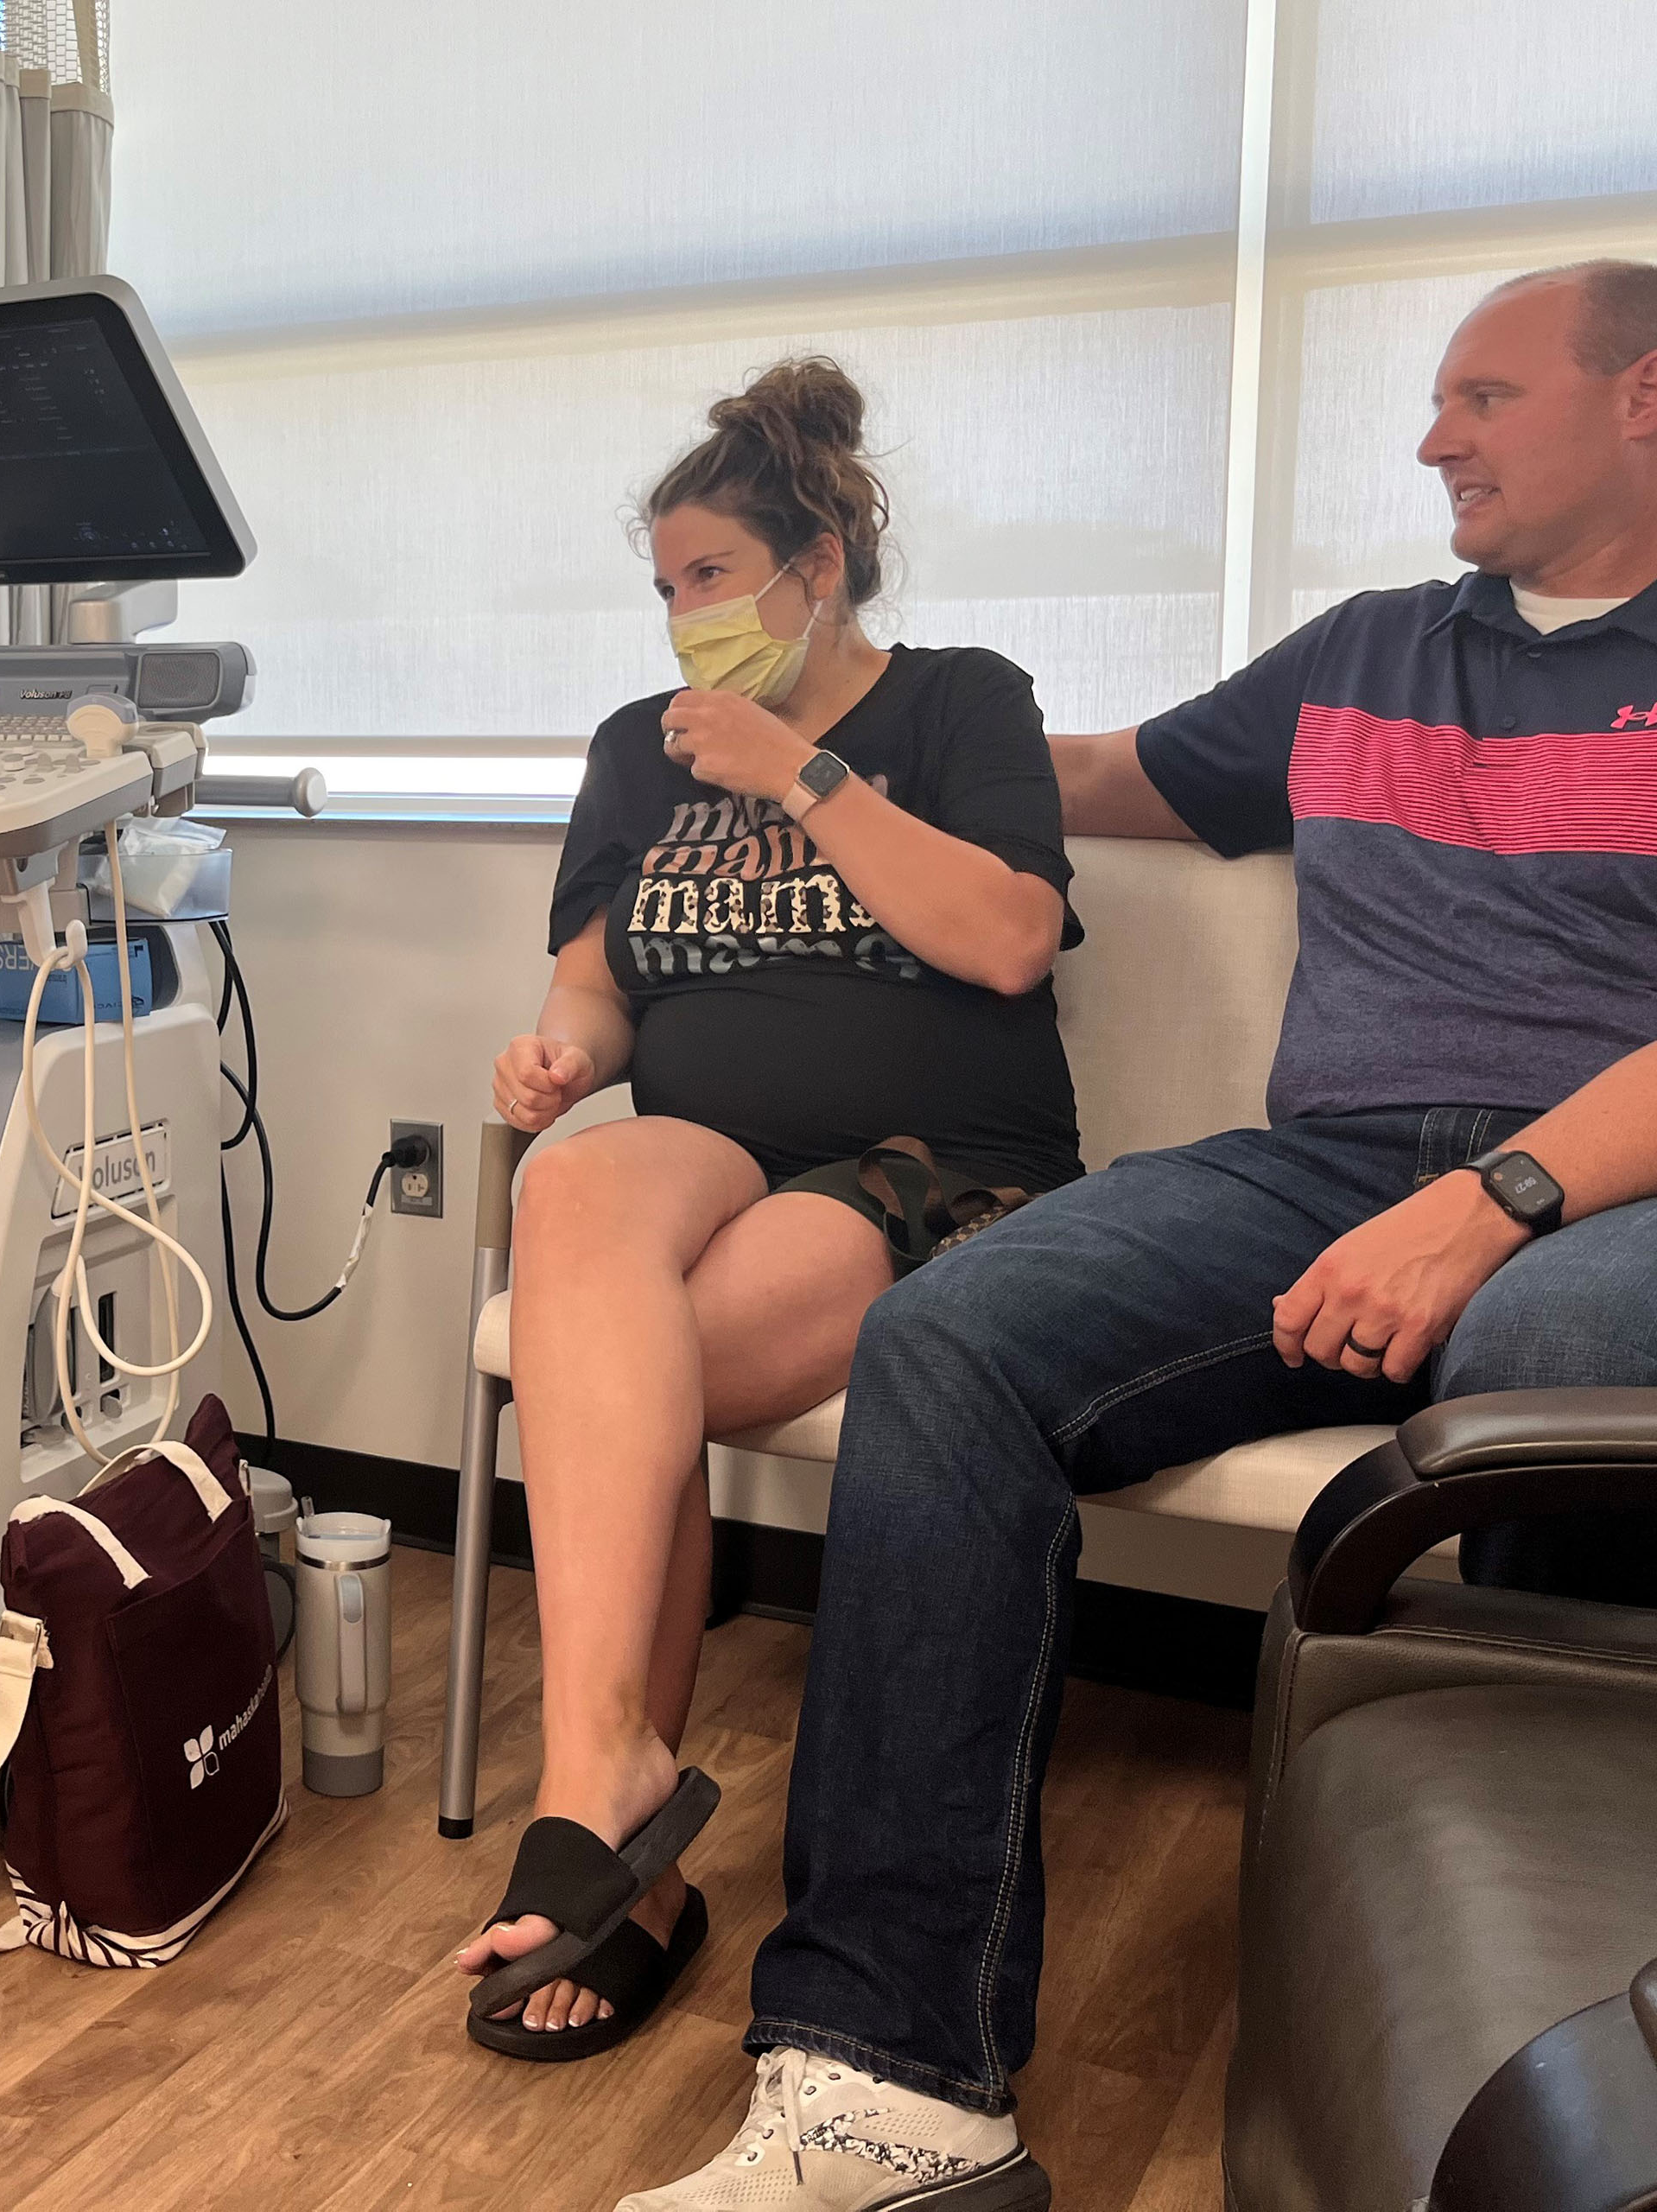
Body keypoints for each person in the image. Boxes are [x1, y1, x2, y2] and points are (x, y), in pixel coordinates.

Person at [616, 261, 1657, 2210]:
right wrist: (851, 737)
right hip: (1342, 1164)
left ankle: (1609, 2079)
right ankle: (893, 2086)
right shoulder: (1374, 649)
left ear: (1652, 394)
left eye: (1480, 397)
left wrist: (1495, 1207)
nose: (1429, 439)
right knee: (953, 1334)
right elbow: (1104, 779)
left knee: (1548, 1366)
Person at [454, 359, 1083, 2063]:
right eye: (664, 589)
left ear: (822, 564)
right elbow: (598, 991)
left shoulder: (959, 703)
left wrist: (800, 772)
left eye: (713, 577)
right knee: (580, 1178)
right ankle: (613, 1768)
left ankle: (625, 1856)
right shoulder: (630, 754)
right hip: (706, 1144)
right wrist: (552, 1059)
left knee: (633, 1370)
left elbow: (1010, 939)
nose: (683, 621)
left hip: (930, 1149)